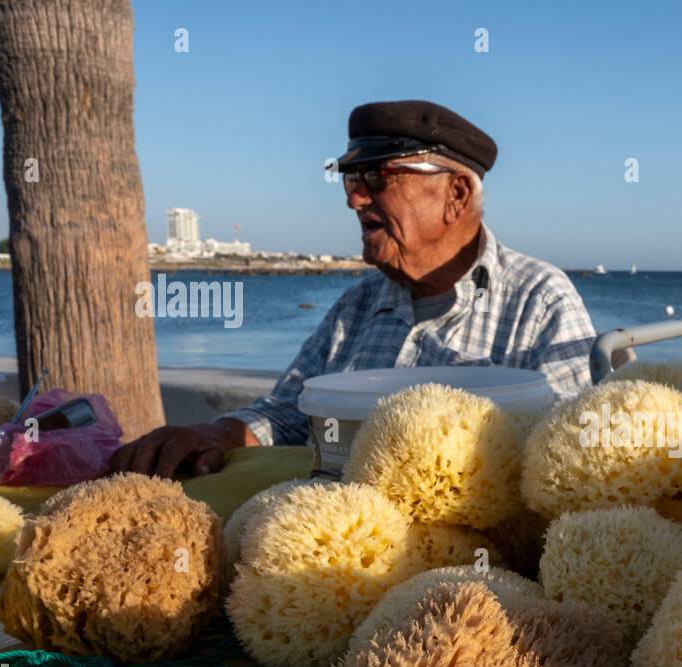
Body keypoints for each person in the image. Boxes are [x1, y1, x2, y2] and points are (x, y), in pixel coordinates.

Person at [110, 100, 597, 477]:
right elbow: (289, 412)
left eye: (378, 177)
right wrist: (213, 433)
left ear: (457, 194)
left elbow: (569, 455)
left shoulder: (539, 300)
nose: (356, 198)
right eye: (350, 180)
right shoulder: (355, 307)